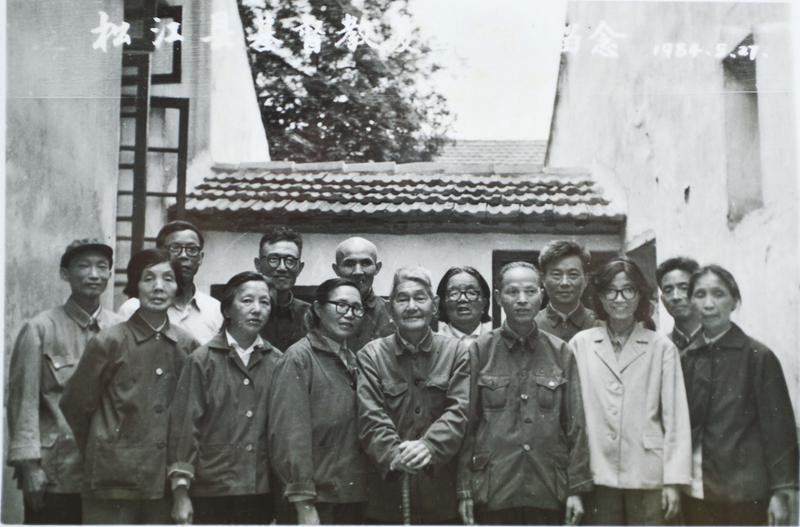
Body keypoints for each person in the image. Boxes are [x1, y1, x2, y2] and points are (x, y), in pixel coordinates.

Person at [60, 249, 198, 524]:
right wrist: (107, 446)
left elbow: (190, 417)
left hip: (163, 484)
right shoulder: (109, 342)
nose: (158, 287)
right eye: (148, 278)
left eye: (168, 279)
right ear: (135, 285)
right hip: (112, 484)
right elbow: (75, 405)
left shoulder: (188, 346)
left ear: (177, 287)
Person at [457, 262, 592, 525]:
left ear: (541, 295)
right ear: (498, 298)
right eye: (512, 292)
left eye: (530, 291)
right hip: (494, 489)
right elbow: (466, 425)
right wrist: (464, 491)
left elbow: (576, 426)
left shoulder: (560, 352)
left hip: (548, 489)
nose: (522, 300)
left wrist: (576, 490)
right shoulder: (480, 351)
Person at [7, 239, 122, 524]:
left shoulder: (120, 330)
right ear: (65, 274)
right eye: (83, 266)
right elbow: (23, 402)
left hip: (108, 471)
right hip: (56, 471)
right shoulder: (40, 328)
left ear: (109, 274)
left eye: (102, 267)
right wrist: (29, 467)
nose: (94, 274)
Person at [569, 257, 691, 525]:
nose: (619, 298)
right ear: (599, 296)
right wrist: (573, 481)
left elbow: (676, 418)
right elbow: (571, 417)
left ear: (640, 295)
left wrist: (673, 481)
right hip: (596, 469)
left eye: (628, 290)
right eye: (610, 290)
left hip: (647, 472)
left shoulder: (661, 347)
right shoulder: (581, 344)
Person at [680, 264, 798, 525]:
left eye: (718, 294)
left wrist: (782, 491)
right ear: (690, 302)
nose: (708, 304)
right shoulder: (686, 358)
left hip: (746, 494)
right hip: (696, 491)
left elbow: (779, 430)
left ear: (734, 301)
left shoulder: (758, 357)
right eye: (700, 295)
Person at [357, 266, 471, 524]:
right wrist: (394, 454)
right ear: (390, 307)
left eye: (420, 298)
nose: (411, 306)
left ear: (434, 305)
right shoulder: (371, 355)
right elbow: (370, 415)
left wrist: (430, 446)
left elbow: (460, 410)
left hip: (441, 494)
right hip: (387, 494)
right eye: (402, 298)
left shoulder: (456, 353)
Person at [168, 271, 282, 525]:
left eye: (264, 302)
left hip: (259, 491)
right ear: (227, 310)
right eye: (247, 301)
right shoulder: (202, 360)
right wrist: (181, 491)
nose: (257, 309)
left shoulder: (277, 362)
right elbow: (186, 427)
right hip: (210, 490)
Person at [270, 278, 370, 525]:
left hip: (350, 496)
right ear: (317, 308)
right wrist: (303, 503)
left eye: (356, 308)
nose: (349, 314)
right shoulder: (298, 358)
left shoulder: (353, 359)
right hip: (314, 502)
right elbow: (289, 436)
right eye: (341, 305)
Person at [118, 220, 222, 344]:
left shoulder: (215, 310)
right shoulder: (132, 307)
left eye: (192, 249)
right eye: (175, 248)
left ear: (200, 258)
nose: (184, 255)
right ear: (159, 253)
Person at [332, 236, 395, 350]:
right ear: (336, 269)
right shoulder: (322, 313)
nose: (358, 272)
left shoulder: (391, 314)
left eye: (366, 263)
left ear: (377, 267)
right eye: (349, 264)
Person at [255, 226, 311, 351]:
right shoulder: (245, 311)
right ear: (258, 265)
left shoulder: (311, 315)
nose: (282, 268)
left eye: (290, 260)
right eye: (273, 259)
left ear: (300, 268)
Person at [535, 240, 599, 341]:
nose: (565, 283)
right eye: (556, 275)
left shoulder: (599, 324)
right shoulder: (531, 325)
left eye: (573, 274)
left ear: (585, 280)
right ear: (543, 279)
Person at [656, 257, 702, 354]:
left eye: (684, 288)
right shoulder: (658, 349)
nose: (675, 297)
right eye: (668, 291)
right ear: (663, 300)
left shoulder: (723, 343)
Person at [434, 266, 492, 340]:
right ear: (443, 303)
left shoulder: (496, 343)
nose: (462, 299)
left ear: (484, 303)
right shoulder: (435, 345)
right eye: (454, 293)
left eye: (471, 292)